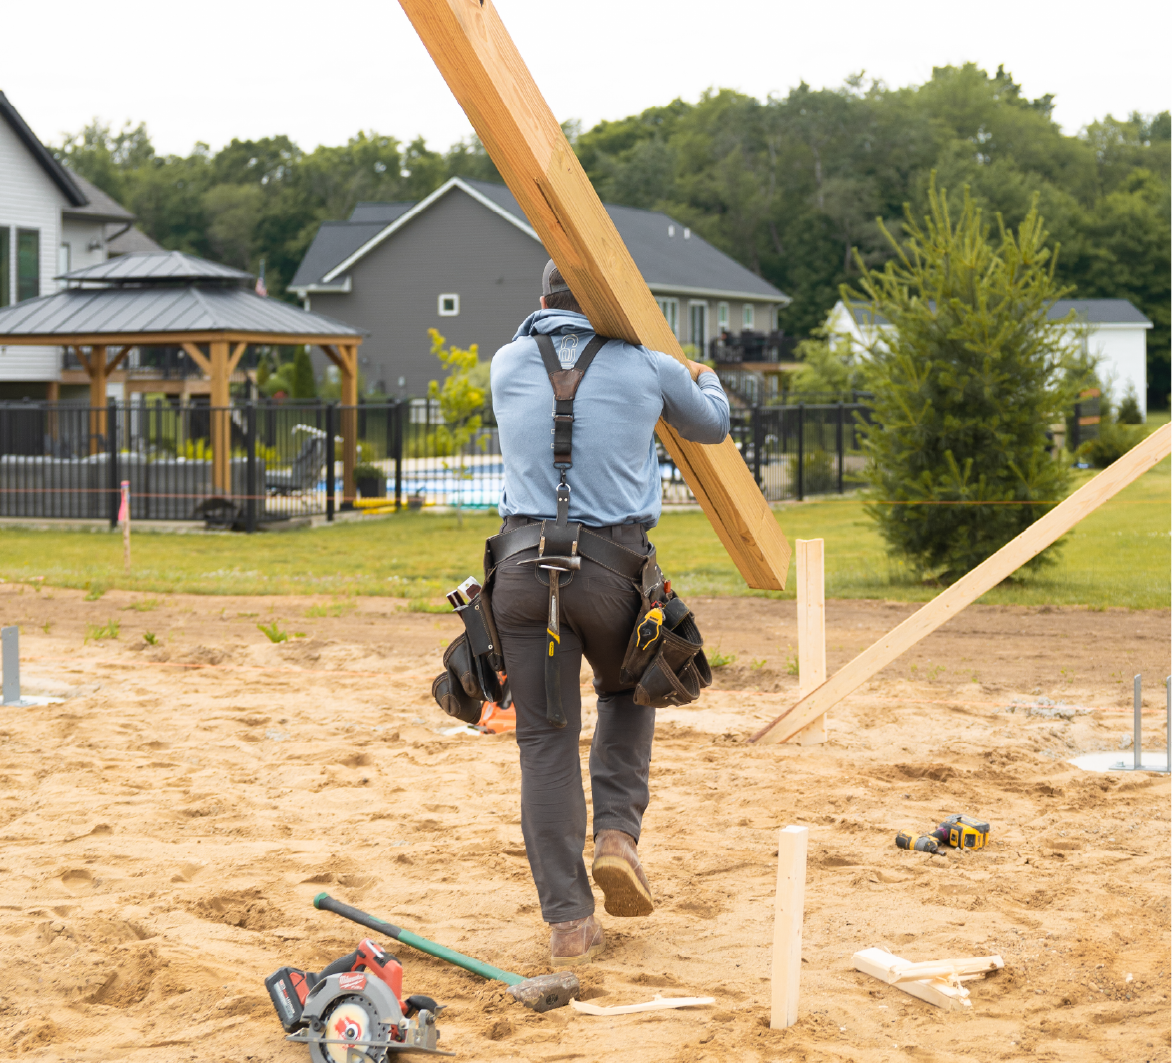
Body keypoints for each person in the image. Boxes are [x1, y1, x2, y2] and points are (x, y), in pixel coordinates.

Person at [487, 259, 729, 964]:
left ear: (540, 303)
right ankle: (618, 836)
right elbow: (710, 426)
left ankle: (569, 923)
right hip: (611, 568)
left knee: (543, 742)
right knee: (627, 692)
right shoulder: (646, 366)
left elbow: (532, 342)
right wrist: (700, 373)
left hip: (522, 569)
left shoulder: (506, 362)